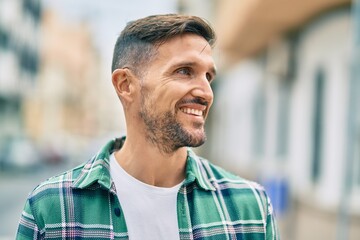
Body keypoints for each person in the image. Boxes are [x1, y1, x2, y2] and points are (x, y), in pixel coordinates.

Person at [16, 14, 279, 240]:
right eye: (185, 71)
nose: (206, 92)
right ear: (125, 85)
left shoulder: (250, 208)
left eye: (208, 76)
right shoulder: (51, 209)